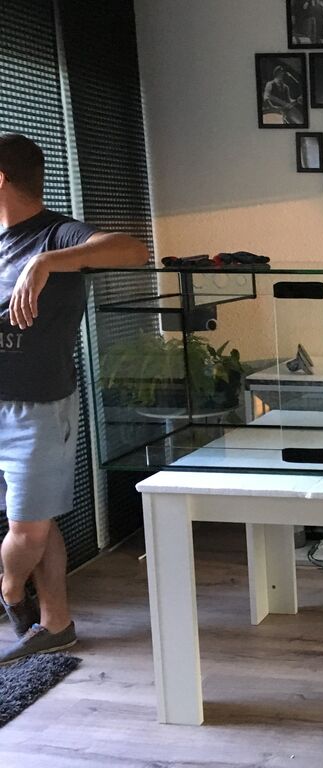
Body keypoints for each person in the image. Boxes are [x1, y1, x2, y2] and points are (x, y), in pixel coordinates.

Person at [0, 134, 149, 665]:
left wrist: (46, 262)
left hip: (37, 408)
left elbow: (134, 251)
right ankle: (56, 624)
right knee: (40, 519)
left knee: (27, 530)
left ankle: (9, 590)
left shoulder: (57, 233)